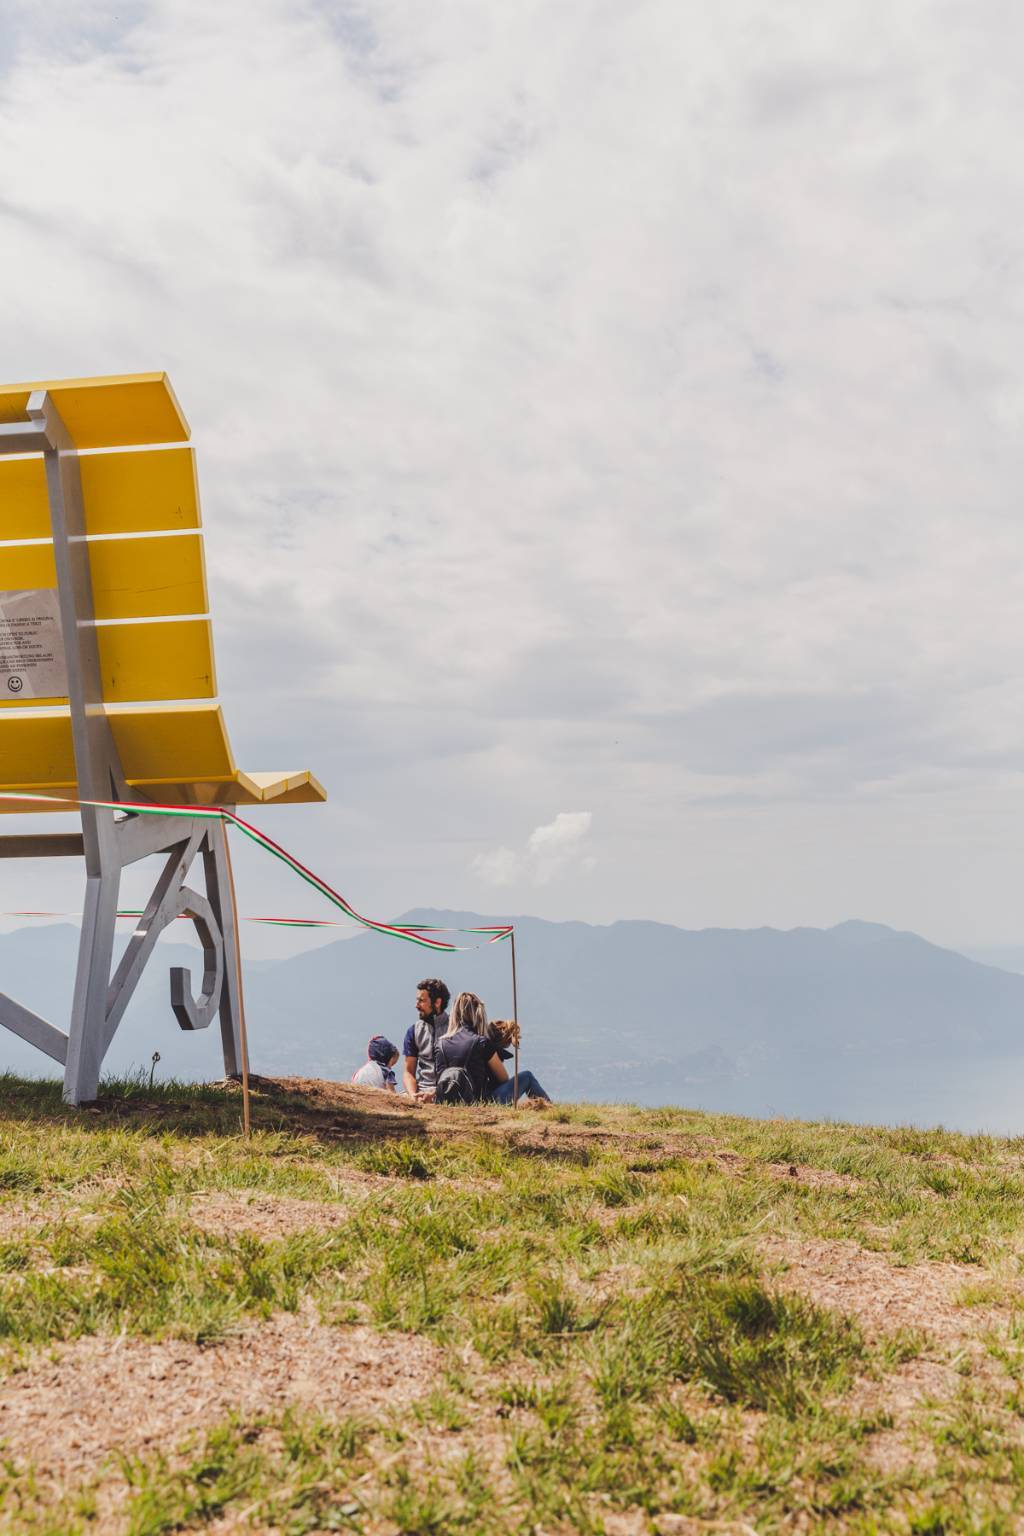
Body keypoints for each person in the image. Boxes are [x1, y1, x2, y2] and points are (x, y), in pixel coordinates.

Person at [435, 992, 551, 1105]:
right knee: (527, 1077)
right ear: (477, 1013)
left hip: (446, 1101)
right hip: (479, 1102)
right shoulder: (481, 1042)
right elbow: (503, 1079)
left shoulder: (440, 1044)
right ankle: (551, 1112)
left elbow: (439, 1079)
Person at [402, 978, 450, 1101]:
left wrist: (435, 1093)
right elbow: (408, 1072)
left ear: (437, 1002)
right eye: (417, 1000)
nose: (416, 1005)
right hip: (420, 1092)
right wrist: (413, 1095)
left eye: (421, 1001)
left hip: (448, 1092)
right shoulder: (413, 1031)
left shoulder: (455, 1030)